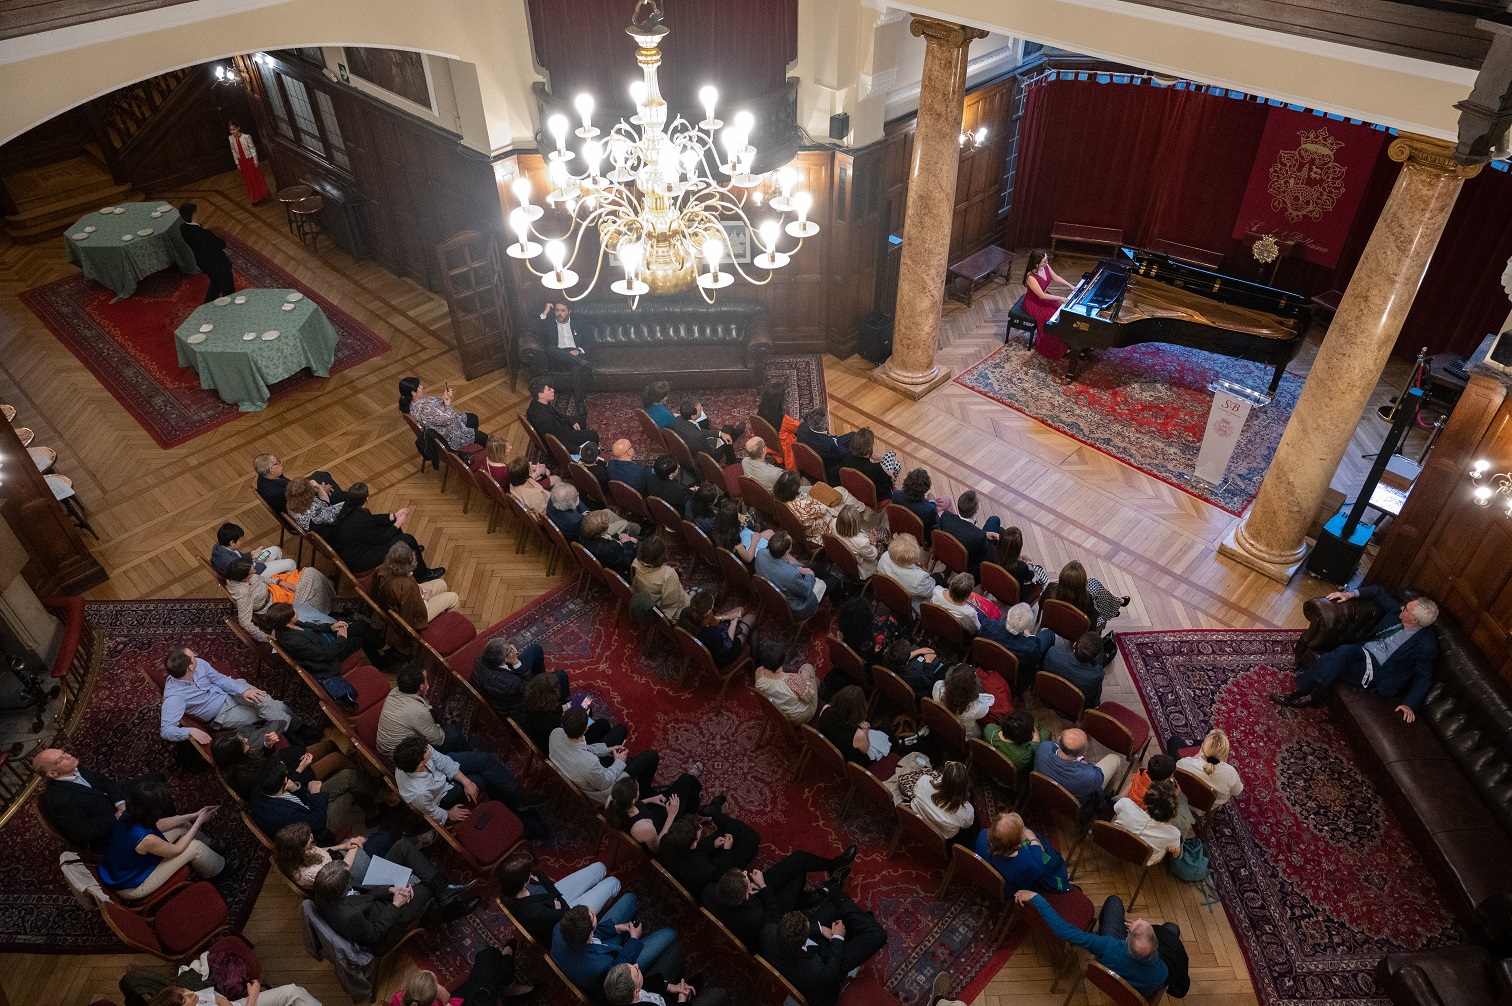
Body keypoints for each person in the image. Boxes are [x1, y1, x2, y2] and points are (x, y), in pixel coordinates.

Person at [1271, 587, 1440, 722]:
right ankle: (1310, 697)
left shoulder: (1426, 646)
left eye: (1406, 609)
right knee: (1343, 652)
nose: (1402, 607)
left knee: (1333, 661)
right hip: (1363, 650)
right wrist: (1350, 593)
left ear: (1415, 620)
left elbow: (1424, 677)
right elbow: (1378, 592)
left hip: (1378, 670)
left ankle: (1301, 694)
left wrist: (1410, 704)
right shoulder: (1398, 612)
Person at [1015, 890, 1168, 1000]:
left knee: (1114, 901)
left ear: (1126, 940)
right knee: (1172, 928)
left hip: (1108, 964)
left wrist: (1036, 898)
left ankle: (1102, 928)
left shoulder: (1108, 944)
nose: (1139, 919)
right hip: (1131, 995)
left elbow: (1064, 932)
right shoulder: (1162, 972)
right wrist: (1138, 930)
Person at [701, 845, 858, 951]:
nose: (745, 872)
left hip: (745, 904)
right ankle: (803, 900)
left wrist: (751, 889)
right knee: (797, 876)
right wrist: (763, 887)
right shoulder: (757, 918)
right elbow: (773, 916)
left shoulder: (709, 890)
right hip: (769, 915)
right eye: (746, 878)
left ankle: (834, 865)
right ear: (746, 895)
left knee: (799, 860)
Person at [99, 779, 223, 897]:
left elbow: (159, 824)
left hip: (122, 868)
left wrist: (194, 815)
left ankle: (209, 851)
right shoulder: (146, 840)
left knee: (182, 825)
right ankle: (219, 872)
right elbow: (177, 850)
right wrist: (199, 822)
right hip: (131, 886)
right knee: (194, 847)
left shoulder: (129, 814)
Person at [159, 646, 295, 746]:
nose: (196, 655)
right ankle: (295, 729)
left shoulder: (198, 664)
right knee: (276, 707)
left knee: (263, 699)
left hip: (229, 691)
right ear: (189, 667)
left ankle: (291, 730)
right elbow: (166, 730)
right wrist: (190, 731)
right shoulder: (174, 698)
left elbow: (219, 679)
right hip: (222, 713)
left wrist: (242, 691)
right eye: (193, 656)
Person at [759, 901, 888, 1006]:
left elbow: (791, 934)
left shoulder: (766, 932)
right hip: (823, 978)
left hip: (801, 961)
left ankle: (854, 921)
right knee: (877, 936)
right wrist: (838, 937)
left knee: (834, 905)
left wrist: (820, 929)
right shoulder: (815, 970)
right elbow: (831, 971)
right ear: (804, 940)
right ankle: (858, 926)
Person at [258, 602, 384, 702]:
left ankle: (382, 652)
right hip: (329, 657)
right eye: (293, 612)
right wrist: (341, 638)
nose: (296, 610)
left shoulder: (286, 625)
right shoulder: (294, 641)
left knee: (361, 626)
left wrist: (331, 627)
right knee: (361, 639)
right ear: (287, 622)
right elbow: (327, 654)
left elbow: (311, 626)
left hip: (325, 641)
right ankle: (381, 659)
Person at [551, 902, 678, 998]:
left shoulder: (559, 928)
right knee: (669, 934)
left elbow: (590, 933)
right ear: (590, 934)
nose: (594, 910)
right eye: (593, 915)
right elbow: (619, 967)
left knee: (630, 898)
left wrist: (616, 928)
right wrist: (634, 939)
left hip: (595, 949)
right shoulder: (600, 968)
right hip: (615, 964)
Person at [392, 736, 529, 825]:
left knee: (484, 760)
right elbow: (431, 812)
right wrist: (448, 814)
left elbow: (444, 762)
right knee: (482, 780)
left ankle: (517, 795)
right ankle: (511, 808)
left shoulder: (420, 748)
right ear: (419, 765)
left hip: (443, 773)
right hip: (444, 794)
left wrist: (466, 782)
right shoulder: (418, 792)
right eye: (426, 751)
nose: (428, 747)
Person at [311, 859, 434, 956]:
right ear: (346, 886)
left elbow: (362, 893)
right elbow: (375, 934)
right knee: (426, 888)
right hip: (388, 924)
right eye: (349, 877)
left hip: (374, 906)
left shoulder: (323, 890)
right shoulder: (349, 917)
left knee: (401, 849)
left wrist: (390, 890)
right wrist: (396, 904)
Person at [326, 482, 444, 581]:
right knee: (408, 539)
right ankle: (422, 575)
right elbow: (381, 538)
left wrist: (394, 516)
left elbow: (372, 519)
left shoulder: (350, 506)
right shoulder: (361, 520)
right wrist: (398, 523)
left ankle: (405, 553)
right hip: (361, 560)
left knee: (394, 528)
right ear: (367, 498)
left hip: (355, 550)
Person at [499, 853, 623, 945]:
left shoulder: (509, 888)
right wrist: (556, 898)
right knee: (614, 883)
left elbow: (540, 874)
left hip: (554, 900)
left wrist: (555, 898)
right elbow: (564, 912)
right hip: (566, 918)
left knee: (600, 867)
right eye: (529, 875)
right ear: (524, 883)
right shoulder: (534, 912)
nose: (532, 875)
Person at [33, 748, 135, 854]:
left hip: (119, 807)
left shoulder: (73, 768)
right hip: (112, 833)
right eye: (61, 760)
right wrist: (117, 818)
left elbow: (105, 783)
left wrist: (120, 803)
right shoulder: (59, 801)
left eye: (64, 753)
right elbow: (83, 833)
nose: (69, 756)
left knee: (146, 783)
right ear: (53, 774)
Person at [550, 705, 659, 805]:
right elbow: (605, 782)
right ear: (586, 728)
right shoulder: (591, 763)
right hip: (603, 790)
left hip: (579, 771)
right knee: (651, 756)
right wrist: (618, 762)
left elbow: (582, 748)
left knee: (620, 730)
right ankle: (644, 790)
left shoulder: (555, 733)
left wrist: (608, 750)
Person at [248, 759, 369, 847]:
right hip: (318, 831)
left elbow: (302, 799)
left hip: (309, 806)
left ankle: (374, 803)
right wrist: (315, 794)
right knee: (348, 795)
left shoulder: (260, 789)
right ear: (284, 780)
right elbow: (317, 822)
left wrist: (296, 788)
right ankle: (373, 809)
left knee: (348, 776)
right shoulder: (285, 815)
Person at [657, 797, 759, 894]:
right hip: (710, 879)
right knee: (752, 837)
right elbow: (720, 876)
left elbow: (694, 853)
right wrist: (726, 850)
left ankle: (714, 810)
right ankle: (714, 811)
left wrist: (713, 845)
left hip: (687, 865)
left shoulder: (665, 841)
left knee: (729, 830)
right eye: (698, 835)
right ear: (693, 844)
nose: (701, 828)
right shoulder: (705, 869)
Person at [224, 556, 334, 644]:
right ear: (243, 577)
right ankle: (325, 607)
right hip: (275, 606)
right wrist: (266, 637)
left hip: (275, 591)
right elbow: (244, 622)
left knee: (310, 572)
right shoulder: (243, 594)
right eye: (252, 573)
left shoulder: (244, 577)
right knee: (312, 577)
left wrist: (280, 582)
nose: (255, 572)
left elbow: (261, 578)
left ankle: (325, 600)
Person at [371, 542, 458, 642]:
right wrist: (426, 599)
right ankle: (451, 629)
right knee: (453, 598)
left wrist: (420, 592)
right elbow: (412, 613)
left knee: (441, 584)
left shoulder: (383, 568)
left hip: (395, 604)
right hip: (413, 619)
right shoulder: (407, 586)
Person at [377, 663, 466, 760]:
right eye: (426, 679)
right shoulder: (418, 711)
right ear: (421, 686)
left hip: (388, 751)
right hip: (406, 760)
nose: (428, 681)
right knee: (453, 734)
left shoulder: (394, 692)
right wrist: (438, 727)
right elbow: (438, 740)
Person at [472, 635, 562, 724]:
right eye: (510, 650)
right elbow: (531, 685)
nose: (512, 647)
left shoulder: (480, 660)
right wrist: (516, 662)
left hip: (498, 688)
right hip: (521, 711)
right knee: (560, 676)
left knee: (536, 649)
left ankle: (542, 676)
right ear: (506, 659)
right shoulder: (512, 683)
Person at [975, 811, 1070, 895]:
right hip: (1013, 888)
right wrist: (1033, 840)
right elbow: (1039, 870)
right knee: (1050, 858)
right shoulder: (1025, 863)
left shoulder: (982, 834)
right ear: (1018, 843)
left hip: (991, 876)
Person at [607, 772, 704, 853]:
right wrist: (671, 815)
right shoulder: (643, 828)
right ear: (633, 800)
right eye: (638, 790)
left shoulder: (613, 799)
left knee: (686, 780)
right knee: (688, 784)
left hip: (650, 813)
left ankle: (692, 803)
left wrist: (651, 799)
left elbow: (631, 806)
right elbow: (657, 847)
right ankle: (695, 811)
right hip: (663, 827)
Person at [393, 952, 533, 1006]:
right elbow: (447, 997)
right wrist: (443, 996)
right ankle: (508, 984)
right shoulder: (399, 997)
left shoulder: (398, 999)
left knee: (492, 960)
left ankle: (506, 975)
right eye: (437, 984)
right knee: (490, 956)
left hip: (456, 1000)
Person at [1034, 728, 1122, 811]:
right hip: (1072, 810)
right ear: (1083, 753)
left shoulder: (1043, 748)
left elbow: (1051, 744)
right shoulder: (1088, 776)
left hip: (1043, 800)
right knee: (1114, 758)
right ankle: (1105, 800)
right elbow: (1099, 776)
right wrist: (1083, 761)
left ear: (1059, 739)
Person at [399, 377, 488, 450]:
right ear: (413, 393)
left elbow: (434, 403)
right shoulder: (423, 409)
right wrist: (447, 404)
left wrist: (444, 398)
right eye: (419, 387)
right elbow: (449, 419)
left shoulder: (414, 402)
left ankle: (470, 443)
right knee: (484, 437)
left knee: (472, 418)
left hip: (441, 425)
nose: (422, 387)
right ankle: (464, 447)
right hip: (448, 435)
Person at [538, 302, 594, 412]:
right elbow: (537, 329)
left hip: (574, 353)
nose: (559, 313)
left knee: (577, 369)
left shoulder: (579, 322)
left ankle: (579, 404)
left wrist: (579, 350)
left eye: (563, 311)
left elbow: (590, 341)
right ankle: (581, 362)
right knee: (550, 348)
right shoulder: (550, 323)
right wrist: (545, 312)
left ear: (569, 311)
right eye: (557, 310)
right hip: (558, 355)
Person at [754, 531, 824, 620]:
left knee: (816, 566)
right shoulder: (792, 575)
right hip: (797, 607)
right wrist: (809, 574)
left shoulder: (760, 553)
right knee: (828, 583)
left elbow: (783, 565)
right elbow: (806, 591)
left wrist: (798, 569)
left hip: (771, 592)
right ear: (787, 552)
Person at [678, 588, 755, 668]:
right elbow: (728, 643)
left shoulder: (687, 614)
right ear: (708, 612)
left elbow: (710, 620)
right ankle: (755, 658)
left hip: (709, 643)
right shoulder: (711, 633)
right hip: (723, 655)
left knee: (741, 609)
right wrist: (734, 621)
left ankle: (751, 636)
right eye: (712, 607)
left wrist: (727, 617)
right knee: (751, 618)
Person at [604, 956, 726, 1005]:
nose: (636, 965)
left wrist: (669, 986)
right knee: (719, 993)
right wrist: (681, 1000)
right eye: (636, 970)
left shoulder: (617, 989)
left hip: (657, 995)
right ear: (636, 992)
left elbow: (646, 983)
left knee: (676, 951)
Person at [1020, 249, 1075, 360]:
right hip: (1034, 303)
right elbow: (1041, 296)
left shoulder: (1045, 266)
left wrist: (1071, 286)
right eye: (1044, 261)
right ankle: (1052, 346)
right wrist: (1060, 298)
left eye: (1046, 260)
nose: (1046, 263)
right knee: (1051, 321)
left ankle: (1065, 342)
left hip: (1045, 297)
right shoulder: (1030, 277)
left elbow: (1056, 277)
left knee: (1062, 314)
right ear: (1036, 263)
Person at [1042, 560, 1126, 631]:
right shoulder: (1087, 600)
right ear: (1083, 583)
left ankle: (1116, 604)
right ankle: (1116, 604)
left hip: (1053, 622)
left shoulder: (1050, 588)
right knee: (1095, 586)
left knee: (1095, 586)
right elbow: (1091, 626)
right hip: (1074, 631)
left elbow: (1041, 605)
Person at [252, 453, 345, 517]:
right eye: (278, 463)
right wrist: (320, 491)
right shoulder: (279, 491)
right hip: (303, 508)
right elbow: (302, 502)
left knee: (321, 475)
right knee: (342, 496)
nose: (280, 464)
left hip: (296, 497)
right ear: (271, 470)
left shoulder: (263, 477)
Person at [753, 638, 820, 725]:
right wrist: (806, 678)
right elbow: (809, 697)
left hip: (777, 713)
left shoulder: (759, 672)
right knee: (808, 667)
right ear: (783, 660)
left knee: (814, 681)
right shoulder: (793, 680)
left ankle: (816, 683)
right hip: (799, 717)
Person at [178, 202, 235, 302]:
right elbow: (222, 244)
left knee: (216, 283)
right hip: (218, 265)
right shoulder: (204, 234)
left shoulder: (183, 228)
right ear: (194, 215)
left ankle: (207, 304)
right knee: (228, 289)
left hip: (203, 263)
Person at [1112, 785, 1183, 865]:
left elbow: (1119, 800)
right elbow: (1175, 855)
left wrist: (1132, 782)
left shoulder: (1127, 804)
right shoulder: (1174, 834)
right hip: (1141, 859)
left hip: (1114, 843)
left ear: (1146, 802)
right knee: (1169, 847)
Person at [907, 760, 976, 842]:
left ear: (943, 775)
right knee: (974, 828)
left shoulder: (923, 782)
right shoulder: (967, 811)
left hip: (918, 821)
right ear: (966, 785)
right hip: (943, 837)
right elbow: (967, 825)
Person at [937, 490, 1001, 578]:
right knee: (995, 520)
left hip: (948, 554)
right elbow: (983, 554)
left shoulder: (945, 517)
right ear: (976, 511)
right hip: (969, 567)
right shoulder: (978, 536)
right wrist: (983, 534)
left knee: (999, 529)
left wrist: (984, 533)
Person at [1175, 728, 1244, 808]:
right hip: (1208, 807)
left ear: (1202, 747)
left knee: (1174, 740)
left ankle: (1192, 743)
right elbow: (1237, 792)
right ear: (1225, 756)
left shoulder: (1184, 764)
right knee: (1195, 742)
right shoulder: (1231, 773)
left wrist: (1195, 757)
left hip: (1185, 798)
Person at [1043, 629, 1113, 708]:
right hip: (1074, 707)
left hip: (1050, 695)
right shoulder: (1096, 675)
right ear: (1096, 657)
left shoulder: (1052, 653)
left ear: (1074, 644)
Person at [526, 377, 598, 452]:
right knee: (593, 435)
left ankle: (583, 439)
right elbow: (557, 442)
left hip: (557, 426)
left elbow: (556, 414)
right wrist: (578, 450)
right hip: (562, 436)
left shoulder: (537, 402)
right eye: (549, 389)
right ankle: (591, 454)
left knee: (581, 421)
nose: (553, 390)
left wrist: (572, 421)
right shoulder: (544, 419)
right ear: (541, 394)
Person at [817, 685, 882, 766]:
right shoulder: (858, 734)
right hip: (849, 761)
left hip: (828, 746)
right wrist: (865, 730)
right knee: (886, 733)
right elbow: (865, 749)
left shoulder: (825, 708)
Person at [998, 602, 1056, 692]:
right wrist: (1029, 636)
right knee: (1049, 634)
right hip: (1017, 681)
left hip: (994, 665)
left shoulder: (987, 625)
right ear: (1027, 627)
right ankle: (1042, 668)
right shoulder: (1030, 648)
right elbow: (1034, 649)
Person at [773, 470, 835, 551]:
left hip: (797, 529)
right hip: (814, 535)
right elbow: (823, 510)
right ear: (796, 487)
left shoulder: (777, 499)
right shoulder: (804, 504)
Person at [631, 535, 690, 620]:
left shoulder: (635, 561)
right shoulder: (668, 574)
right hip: (658, 607)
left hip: (645, 597)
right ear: (662, 555)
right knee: (692, 607)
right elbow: (670, 602)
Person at [877, 533, 936, 616]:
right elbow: (930, 592)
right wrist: (927, 574)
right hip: (910, 608)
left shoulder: (885, 556)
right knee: (937, 578)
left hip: (888, 595)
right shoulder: (920, 578)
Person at [933, 663, 995, 740]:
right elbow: (988, 704)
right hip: (965, 735)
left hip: (942, 724)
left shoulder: (938, 687)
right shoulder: (976, 708)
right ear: (973, 688)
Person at [212, 522, 296, 578]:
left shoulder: (220, 545)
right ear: (232, 542)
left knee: (276, 550)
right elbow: (250, 573)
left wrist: (252, 554)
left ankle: (276, 574)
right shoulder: (232, 563)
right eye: (240, 540)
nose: (241, 541)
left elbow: (239, 556)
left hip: (247, 565)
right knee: (291, 563)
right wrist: (261, 562)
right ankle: (287, 580)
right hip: (251, 575)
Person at [795, 409, 855, 485]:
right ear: (825, 425)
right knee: (853, 450)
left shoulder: (802, 427)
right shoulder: (828, 444)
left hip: (811, 456)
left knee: (853, 436)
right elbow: (844, 453)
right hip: (828, 468)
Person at [983, 709, 1049, 775]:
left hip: (993, 765)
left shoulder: (989, 730)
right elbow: (1035, 747)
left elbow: (996, 728)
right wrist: (1035, 734)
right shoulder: (1023, 756)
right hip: (1013, 774)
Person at [890, 468, 946, 545]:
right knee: (946, 506)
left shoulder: (896, 495)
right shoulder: (928, 509)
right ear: (925, 489)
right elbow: (935, 523)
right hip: (920, 537)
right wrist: (932, 502)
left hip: (900, 527)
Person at [150, 982, 318, 1006]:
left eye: (183, 989)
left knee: (294, 992)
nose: (190, 992)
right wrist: (253, 995)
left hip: (240, 1004)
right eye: (183, 998)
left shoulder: (196, 999)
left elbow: (218, 998)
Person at [756, 381, 801, 468]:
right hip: (780, 445)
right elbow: (798, 428)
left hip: (768, 441)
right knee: (792, 437)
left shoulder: (761, 410)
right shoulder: (784, 419)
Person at [993, 526, 1047, 597]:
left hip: (996, 585)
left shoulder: (992, 553)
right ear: (1018, 547)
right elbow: (1030, 576)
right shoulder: (1021, 567)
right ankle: (1046, 586)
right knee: (1039, 568)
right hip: (1015, 594)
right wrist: (1029, 562)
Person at [582, 510, 638, 578]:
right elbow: (626, 562)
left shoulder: (584, 535)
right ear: (603, 531)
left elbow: (608, 538)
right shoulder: (610, 548)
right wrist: (627, 542)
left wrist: (620, 536)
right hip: (622, 570)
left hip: (607, 558)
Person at [842, 428, 893, 501]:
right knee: (893, 459)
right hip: (874, 498)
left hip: (853, 491)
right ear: (870, 447)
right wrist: (890, 476)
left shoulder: (846, 458)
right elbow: (887, 485)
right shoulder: (876, 469)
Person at [832, 506, 879, 579]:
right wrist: (874, 545)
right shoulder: (862, 543)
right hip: (861, 569)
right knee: (882, 537)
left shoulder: (833, 524)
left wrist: (866, 535)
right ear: (856, 523)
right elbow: (872, 557)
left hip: (843, 561)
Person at [228, 121, 269, 203]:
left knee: (255, 177)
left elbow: (252, 149)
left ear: (238, 128)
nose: (232, 132)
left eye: (234, 129)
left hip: (249, 160)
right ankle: (254, 197)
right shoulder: (231, 138)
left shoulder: (246, 137)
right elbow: (233, 151)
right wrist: (237, 163)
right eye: (231, 130)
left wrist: (255, 161)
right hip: (241, 161)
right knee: (248, 180)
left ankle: (261, 195)